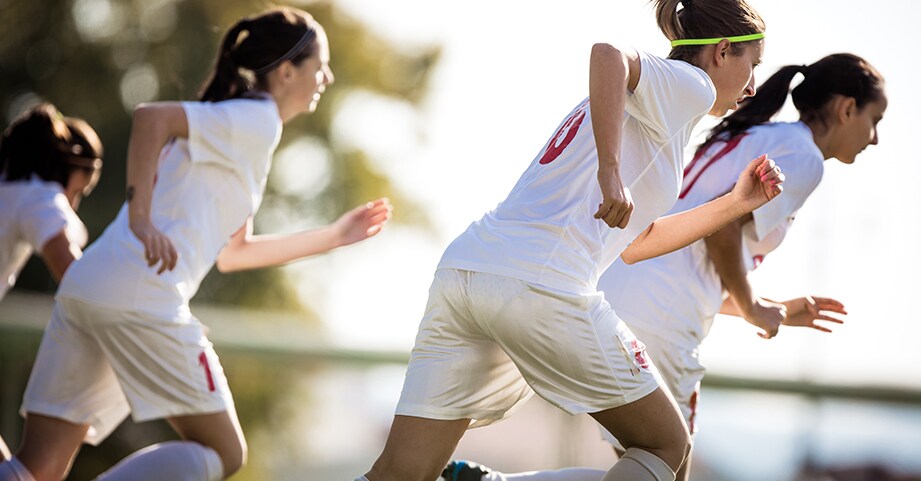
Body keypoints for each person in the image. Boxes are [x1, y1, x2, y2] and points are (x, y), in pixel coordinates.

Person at [357, 1, 779, 480]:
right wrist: (610, 171)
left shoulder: (661, 110)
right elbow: (607, 53)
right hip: (541, 282)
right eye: (753, 66)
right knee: (666, 443)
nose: (753, 87)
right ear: (723, 52)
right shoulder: (694, 85)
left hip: (468, 269)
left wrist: (735, 204)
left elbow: (636, 243)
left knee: (400, 472)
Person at [439, 53, 887, 481]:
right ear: (847, 109)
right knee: (666, 467)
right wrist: (753, 309)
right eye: (875, 120)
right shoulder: (804, 157)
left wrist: (776, 309)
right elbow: (720, 230)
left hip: (624, 296)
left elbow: (692, 262)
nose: (876, 138)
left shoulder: (756, 135)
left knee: (645, 469)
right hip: (664, 321)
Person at [0, 7, 392, 481]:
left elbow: (234, 253)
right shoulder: (259, 120)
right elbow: (151, 118)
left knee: (33, 472)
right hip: (140, 296)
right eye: (319, 65)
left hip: (89, 286)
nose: (326, 76)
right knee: (224, 453)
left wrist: (334, 236)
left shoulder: (245, 131)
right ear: (287, 72)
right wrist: (141, 220)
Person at [0, 102, 104, 474]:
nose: (75, 201)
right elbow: (74, 276)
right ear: (70, 168)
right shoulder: (41, 198)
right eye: (82, 189)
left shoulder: (9, 188)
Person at [0, 103, 103, 301]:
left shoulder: (10, 184)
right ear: (63, 171)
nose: (73, 205)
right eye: (77, 192)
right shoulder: (37, 198)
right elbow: (79, 283)